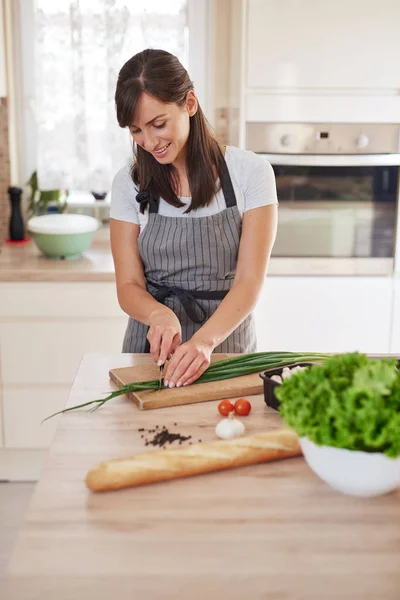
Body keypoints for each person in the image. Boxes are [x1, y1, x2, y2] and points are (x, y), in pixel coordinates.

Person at [110, 48, 278, 389]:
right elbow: (128, 286)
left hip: (224, 348)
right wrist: (158, 313)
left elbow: (249, 282)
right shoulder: (129, 183)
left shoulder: (251, 173)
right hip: (150, 352)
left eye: (158, 124)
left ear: (189, 104)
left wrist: (204, 341)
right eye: (136, 131)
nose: (149, 142)